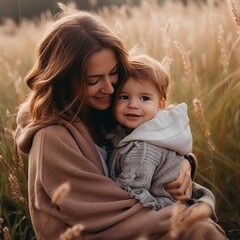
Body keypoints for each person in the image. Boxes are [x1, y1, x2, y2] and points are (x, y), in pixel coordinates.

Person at [15, 8, 227, 240]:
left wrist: (184, 164)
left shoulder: (105, 108)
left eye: (114, 73)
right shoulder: (52, 138)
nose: (109, 88)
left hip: (140, 217)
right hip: (99, 231)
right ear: (64, 79)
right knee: (201, 230)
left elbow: (153, 137)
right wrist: (185, 215)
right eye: (94, 80)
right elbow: (102, 213)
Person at [107, 53, 217, 226]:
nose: (133, 104)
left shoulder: (142, 148)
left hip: (161, 207)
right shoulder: (149, 129)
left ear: (160, 104)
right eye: (124, 97)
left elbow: (131, 190)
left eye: (144, 98)